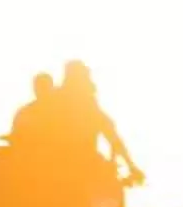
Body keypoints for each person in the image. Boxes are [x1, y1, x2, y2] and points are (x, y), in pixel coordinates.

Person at [56, 60, 143, 189]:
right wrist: (131, 166)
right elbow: (112, 135)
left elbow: (111, 132)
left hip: (57, 170)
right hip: (84, 169)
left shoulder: (52, 101)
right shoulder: (88, 104)